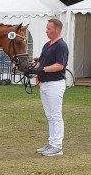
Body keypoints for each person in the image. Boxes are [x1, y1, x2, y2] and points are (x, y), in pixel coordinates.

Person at [24, 18, 69, 156]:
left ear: (57, 30)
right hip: (45, 84)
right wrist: (31, 69)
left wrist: (41, 70)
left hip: (55, 84)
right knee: (50, 116)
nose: (46, 31)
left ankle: (57, 146)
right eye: (47, 28)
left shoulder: (61, 46)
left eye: (49, 28)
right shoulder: (47, 45)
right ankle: (51, 143)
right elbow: (41, 63)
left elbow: (60, 65)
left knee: (55, 115)